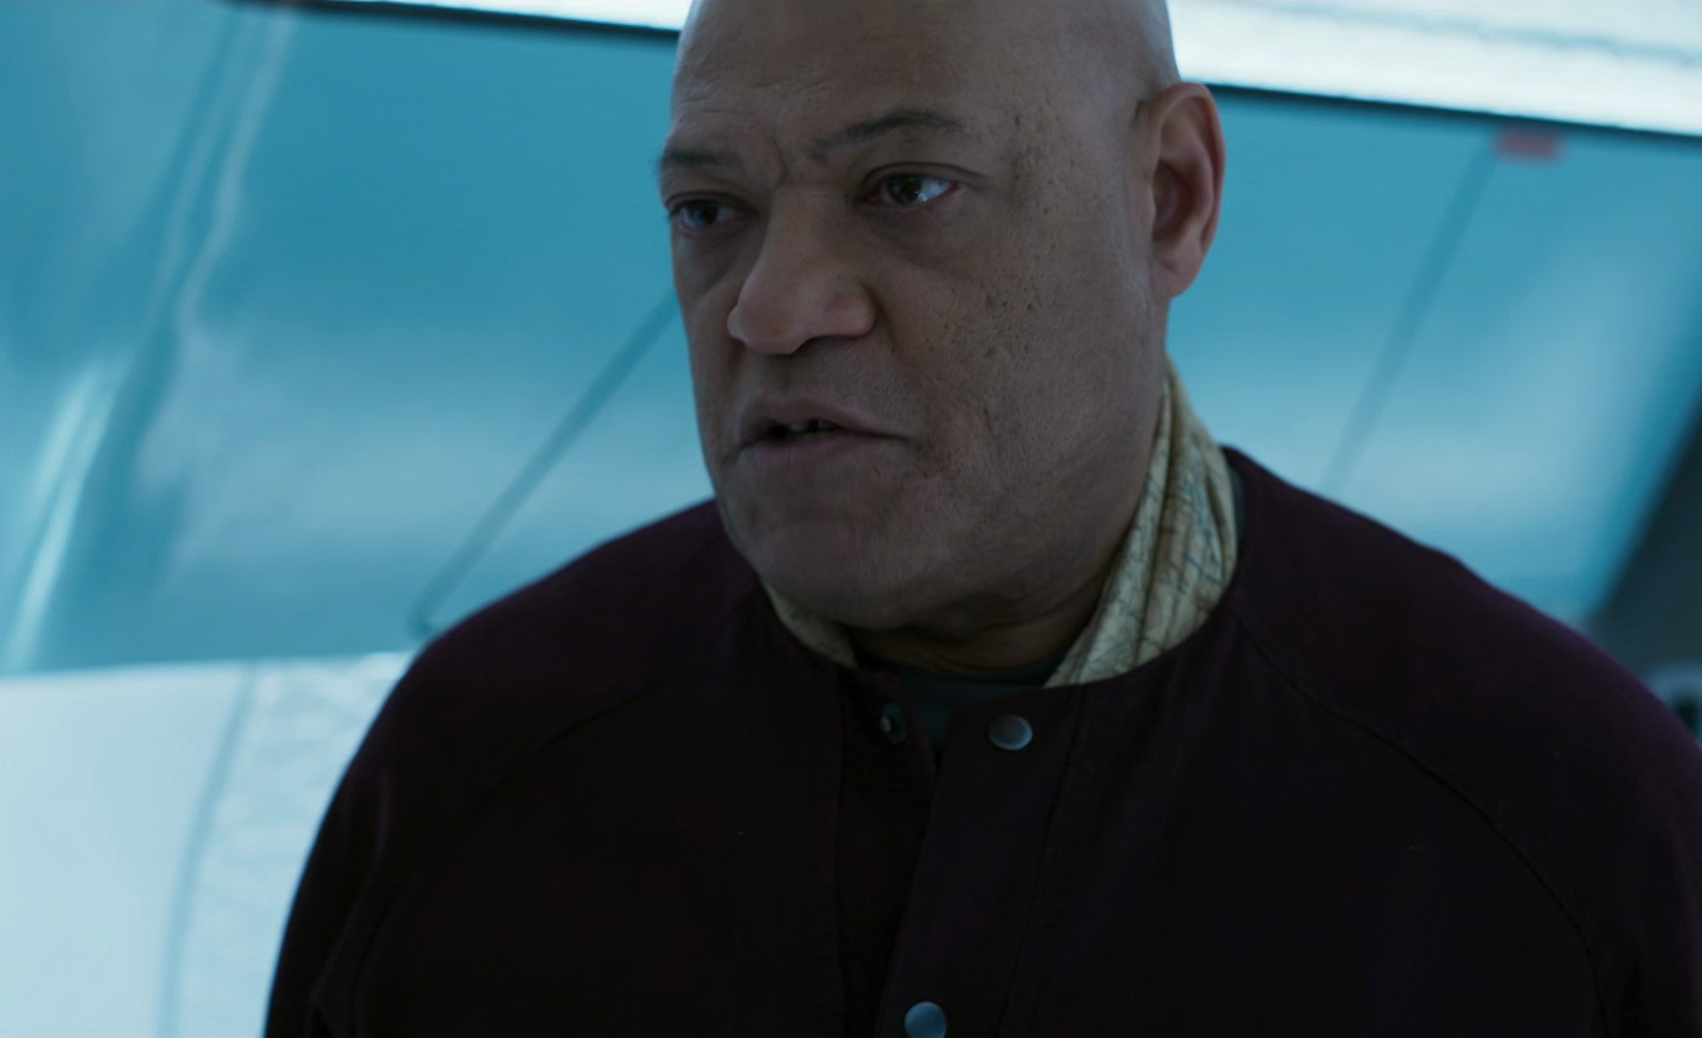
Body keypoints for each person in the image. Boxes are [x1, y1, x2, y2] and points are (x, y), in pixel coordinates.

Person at [265, 0, 1702, 1033]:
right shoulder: (476, 762)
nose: (770, 308)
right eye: (710, 209)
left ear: (1170, 200)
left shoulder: (1568, 815)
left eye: (907, 189)